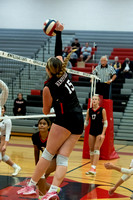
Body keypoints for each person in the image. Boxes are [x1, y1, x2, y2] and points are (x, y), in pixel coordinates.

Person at [17, 21, 84, 200]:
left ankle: (31, 186)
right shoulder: (64, 72)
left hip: (64, 119)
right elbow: (58, 54)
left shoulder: (48, 87)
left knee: (47, 154)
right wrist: (59, 33)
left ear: (47, 70)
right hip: (78, 118)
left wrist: (49, 101)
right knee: (62, 159)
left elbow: (46, 111)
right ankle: (53, 190)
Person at [32, 118, 56, 198]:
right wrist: (37, 164)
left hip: (56, 159)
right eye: (40, 123)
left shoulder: (52, 136)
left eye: (44, 124)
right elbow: (36, 150)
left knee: (40, 175)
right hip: (45, 160)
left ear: (48, 126)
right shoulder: (35, 136)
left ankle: (42, 197)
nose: (41, 125)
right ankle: (55, 192)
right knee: (40, 181)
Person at [84, 95, 107, 175]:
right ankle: (92, 168)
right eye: (93, 99)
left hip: (100, 132)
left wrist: (103, 134)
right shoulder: (89, 110)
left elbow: (106, 123)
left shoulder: (102, 110)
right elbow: (86, 122)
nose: (94, 100)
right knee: (91, 149)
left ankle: (93, 168)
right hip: (92, 132)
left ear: (98, 101)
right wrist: (82, 128)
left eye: (95, 99)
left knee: (97, 148)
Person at [0, 105, 21, 176]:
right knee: (2, 156)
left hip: (4, 137)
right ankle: (16, 167)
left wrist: (5, 145)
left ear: (4, 111)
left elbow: (8, 133)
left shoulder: (7, 119)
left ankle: (16, 167)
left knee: (0, 155)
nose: (1, 110)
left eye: (2, 108)